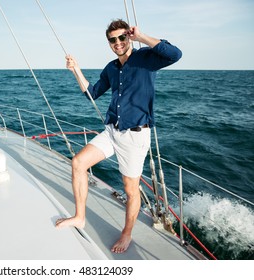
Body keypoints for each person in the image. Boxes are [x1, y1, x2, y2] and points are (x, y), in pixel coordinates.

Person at [55, 19, 182, 253]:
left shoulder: (146, 59)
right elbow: (92, 93)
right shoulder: (111, 68)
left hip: (135, 136)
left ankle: (126, 234)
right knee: (78, 162)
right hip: (112, 130)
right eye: (113, 40)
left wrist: (142, 37)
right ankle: (79, 217)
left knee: (131, 189)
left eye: (122, 37)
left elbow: (175, 54)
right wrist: (75, 70)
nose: (118, 43)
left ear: (129, 37)